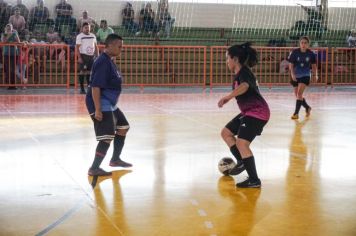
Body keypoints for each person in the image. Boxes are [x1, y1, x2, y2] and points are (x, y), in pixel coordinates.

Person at [218, 42, 270, 188]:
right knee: (226, 133)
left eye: (227, 58)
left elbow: (245, 86)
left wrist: (228, 97)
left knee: (242, 143)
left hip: (257, 113)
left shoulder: (244, 72)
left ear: (235, 59)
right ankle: (241, 161)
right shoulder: (239, 75)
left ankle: (254, 180)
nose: (226, 61)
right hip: (249, 112)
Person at [85, 33, 132, 176]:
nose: (121, 49)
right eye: (119, 46)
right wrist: (98, 109)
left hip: (110, 102)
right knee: (107, 136)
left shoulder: (109, 60)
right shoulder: (102, 61)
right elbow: (95, 87)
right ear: (110, 45)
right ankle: (94, 168)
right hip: (101, 102)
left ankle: (115, 159)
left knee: (123, 127)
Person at [288, 36, 318, 120]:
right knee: (297, 95)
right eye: (302, 43)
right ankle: (307, 107)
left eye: (305, 43)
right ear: (299, 44)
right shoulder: (295, 52)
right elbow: (291, 65)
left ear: (308, 44)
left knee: (299, 94)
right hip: (295, 75)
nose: (303, 44)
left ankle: (296, 114)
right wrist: (293, 75)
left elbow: (314, 66)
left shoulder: (311, 54)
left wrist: (315, 75)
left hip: (305, 75)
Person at [76, 22, 99, 94]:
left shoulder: (93, 36)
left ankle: (89, 88)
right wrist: (79, 57)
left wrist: (97, 55)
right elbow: (77, 47)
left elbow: (95, 46)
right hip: (83, 56)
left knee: (89, 72)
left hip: (91, 56)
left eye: (88, 27)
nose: (87, 29)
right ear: (82, 28)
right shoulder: (80, 36)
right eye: (85, 27)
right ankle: (82, 89)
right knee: (82, 71)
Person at [1, 23, 20, 89]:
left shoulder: (15, 34)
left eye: (10, 27)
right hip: (6, 53)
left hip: (14, 53)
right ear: (6, 28)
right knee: (8, 69)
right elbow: (3, 42)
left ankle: (13, 85)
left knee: (13, 69)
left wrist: (12, 43)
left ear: (12, 28)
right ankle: (9, 84)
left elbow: (18, 42)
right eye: (7, 27)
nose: (9, 28)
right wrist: (7, 35)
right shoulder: (4, 34)